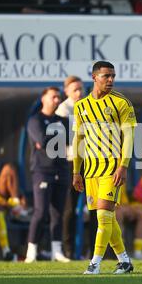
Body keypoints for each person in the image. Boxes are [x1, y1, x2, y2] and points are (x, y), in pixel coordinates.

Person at [72, 61, 136, 275]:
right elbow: (78, 139)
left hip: (112, 168)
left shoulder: (121, 102)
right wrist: (76, 171)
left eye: (113, 76)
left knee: (102, 217)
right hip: (90, 171)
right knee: (107, 217)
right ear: (94, 77)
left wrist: (123, 166)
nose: (110, 80)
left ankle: (95, 263)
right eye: (106, 76)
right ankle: (125, 261)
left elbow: (128, 136)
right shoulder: (81, 106)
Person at [25, 87, 70, 263]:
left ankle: (57, 251)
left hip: (62, 169)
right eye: (53, 97)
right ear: (43, 98)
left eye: (59, 97)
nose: (57, 100)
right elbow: (42, 142)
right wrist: (55, 137)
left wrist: (51, 138)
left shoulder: (62, 120)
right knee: (41, 211)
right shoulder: (35, 120)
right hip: (42, 170)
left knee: (58, 212)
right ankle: (31, 251)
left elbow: (70, 139)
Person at [55, 75, 84, 260]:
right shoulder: (63, 110)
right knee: (69, 208)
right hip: (71, 162)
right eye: (75, 89)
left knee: (96, 206)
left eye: (81, 89)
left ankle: (96, 251)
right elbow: (65, 138)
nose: (79, 93)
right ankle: (68, 250)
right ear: (66, 91)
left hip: (89, 161)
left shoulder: (89, 106)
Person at [115, 184, 142, 260]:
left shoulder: (121, 174)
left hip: (124, 205)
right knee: (118, 214)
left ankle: (138, 252)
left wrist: (128, 207)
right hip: (111, 206)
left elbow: (124, 198)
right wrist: (120, 207)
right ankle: (120, 253)